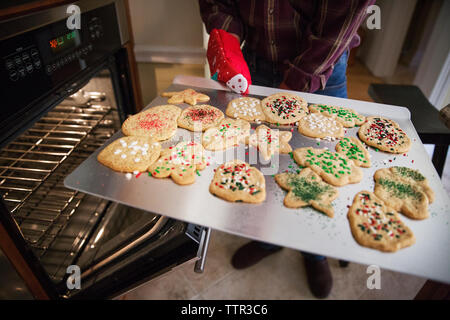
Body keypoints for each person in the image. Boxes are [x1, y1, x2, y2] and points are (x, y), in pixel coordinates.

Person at [199, 0, 375, 298]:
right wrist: (226, 44)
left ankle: (314, 252)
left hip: (321, 67)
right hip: (254, 60)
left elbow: (337, 23)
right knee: (263, 163)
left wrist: (294, 85)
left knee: (320, 172)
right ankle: (269, 238)